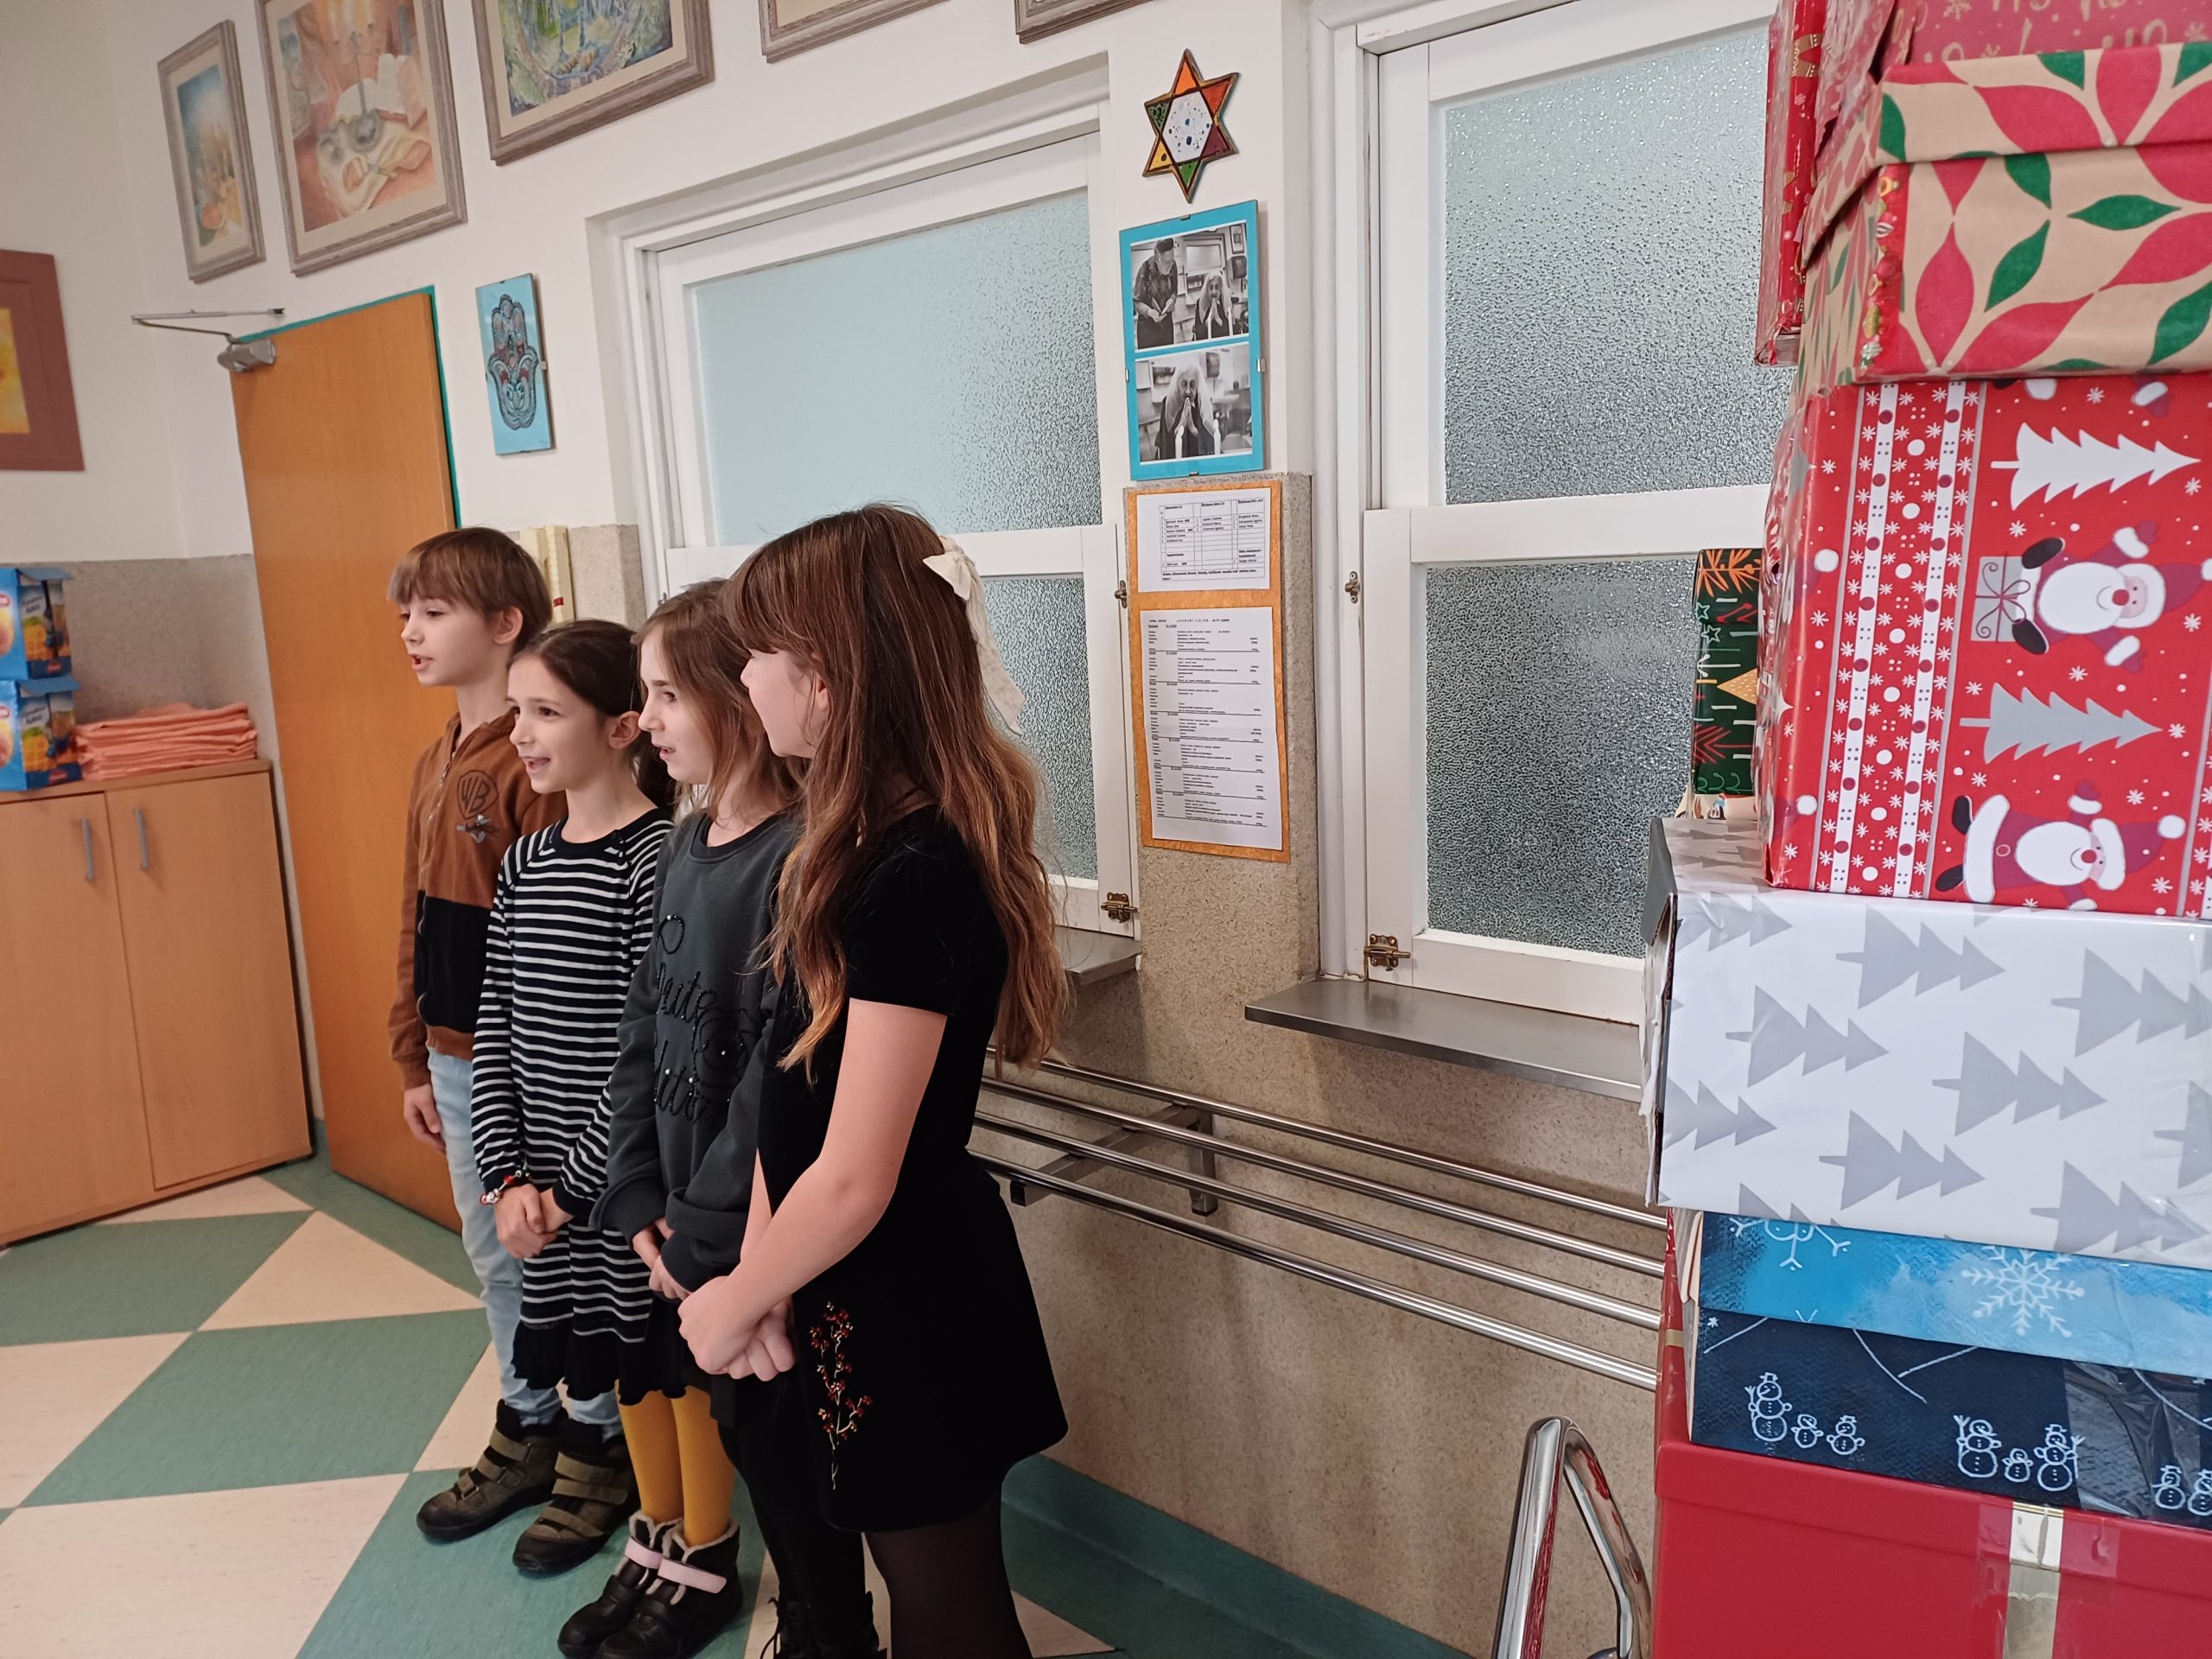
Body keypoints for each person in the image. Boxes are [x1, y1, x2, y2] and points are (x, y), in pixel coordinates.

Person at [682, 505, 1070, 1659]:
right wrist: (763, 1275)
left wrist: (736, 1298)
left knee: (947, 1610)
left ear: (829, 676)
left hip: (907, 1294)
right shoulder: (844, 851)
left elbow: (855, 1174)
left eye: (757, 653)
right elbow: (791, 1096)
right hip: (838, 1271)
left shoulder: (914, 874)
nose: (743, 679)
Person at [558, 584, 883, 1659]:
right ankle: (808, 1616)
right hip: (679, 1230)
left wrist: (701, 1241)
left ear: (736, 698)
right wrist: (635, 1193)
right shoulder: (686, 841)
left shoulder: (801, 859)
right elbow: (644, 1026)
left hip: (755, 1239)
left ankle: (831, 1628)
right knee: (743, 1441)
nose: (644, 718)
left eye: (665, 695)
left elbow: (777, 1089)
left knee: (789, 1458)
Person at [389, 530, 612, 1546]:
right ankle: (528, 1423)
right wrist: (414, 1053)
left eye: (434, 612)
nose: (411, 630)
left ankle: (597, 1438)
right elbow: (415, 915)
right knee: (494, 1257)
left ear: (505, 622)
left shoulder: (534, 766)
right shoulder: (436, 758)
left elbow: (552, 941)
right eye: (407, 613)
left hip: (536, 1067)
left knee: (562, 1254)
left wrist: (514, 1074)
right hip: (455, 1058)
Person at [468, 620, 675, 1578]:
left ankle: (615, 1474)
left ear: (623, 727)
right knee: (560, 1321)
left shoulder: (655, 859)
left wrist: (569, 1192)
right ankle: (574, 1453)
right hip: (538, 1175)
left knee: (629, 1340)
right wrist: (508, 1176)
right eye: (517, 710)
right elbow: (496, 1027)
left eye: (546, 712)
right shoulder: (525, 861)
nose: (521, 732)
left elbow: (643, 1059)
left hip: (614, 1181)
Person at [1132, 237, 1180, 349]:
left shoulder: (1173, 265)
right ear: (1157, 259)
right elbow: (1136, 303)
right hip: (1148, 328)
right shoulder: (1145, 269)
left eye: (1172, 261)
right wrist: (1149, 312)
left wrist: (1172, 300)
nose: (1171, 266)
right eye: (1167, 263)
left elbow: (1174, 290)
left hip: (1166, 323)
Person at [1164, 366, 1217, 460]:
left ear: (1197, 387)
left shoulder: (1203, 403)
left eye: (1192, 385)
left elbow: (1211, 443)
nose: (1188, 391)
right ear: (1177, 386)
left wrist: (1193, 429)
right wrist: (1181, 424)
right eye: (1184, 384)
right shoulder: (1168, 404)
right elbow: (1165, 445)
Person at [1192, 271, 1234, 340]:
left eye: (1217, 287)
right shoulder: (1200, 303)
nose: (1214, 291)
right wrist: (1208, 321)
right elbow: (1199, 334)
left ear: (1220, 289)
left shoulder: (1224, 302)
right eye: (1211, 287)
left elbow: (1231, 331)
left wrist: (1218, 319)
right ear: (1207, 289)